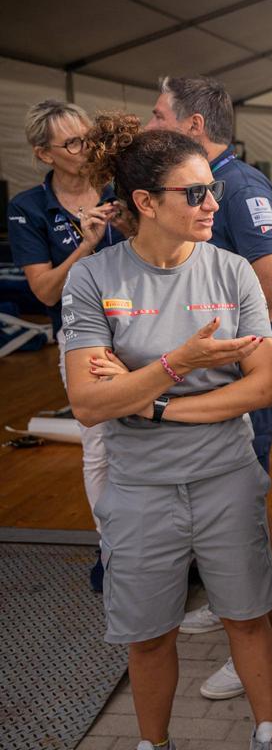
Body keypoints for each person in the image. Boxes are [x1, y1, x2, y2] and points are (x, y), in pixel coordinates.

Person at [61, 113, 272, 750]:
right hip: (139, 490)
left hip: (226, 481)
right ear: (145, 203)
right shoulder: (94, 279)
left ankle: (267, 732)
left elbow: (262, 386)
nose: (213, 203)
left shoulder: (233, 272)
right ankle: (153, 744)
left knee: (248, 618)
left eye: (211, 188)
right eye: (195, 194)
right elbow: (85, 402)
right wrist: (179, 365)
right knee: (148, 634)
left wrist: (148, 398)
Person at [146, 75, 272, 698]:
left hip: (244, 375)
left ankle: (270, 638)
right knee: (225, 499)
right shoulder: (210, 184)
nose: (149, 124)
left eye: (159, 115)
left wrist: (229, 355)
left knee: (242, 501)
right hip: (222, 370)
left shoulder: (237, 185)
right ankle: (239, 606)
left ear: (194, 127)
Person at [7, 100, 125, 591]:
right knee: (99, 448)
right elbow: (45, 292)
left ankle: (168, 550)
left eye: (89, 135)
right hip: (84, 343)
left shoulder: (124, 186)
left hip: (146, 331)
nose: (88, 147)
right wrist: (86, 243)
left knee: (156, 441)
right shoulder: (29, 208)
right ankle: (114, 553)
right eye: (73, 142)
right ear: (44, 154)